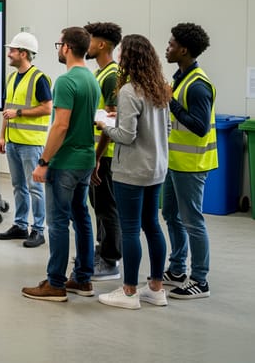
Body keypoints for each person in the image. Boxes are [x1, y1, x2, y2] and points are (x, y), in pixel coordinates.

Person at [21, 27, 99, 302]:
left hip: (65, 163)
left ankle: (55, 283)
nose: (58, 48)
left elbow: (61, 125)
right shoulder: (91, 79)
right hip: (86, 161)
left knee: (57, 223)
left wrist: (44, 161)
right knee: (81, 218)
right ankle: (82, 278)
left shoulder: (66, 82)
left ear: (66, 48)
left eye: (59, 44)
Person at [95, 34, 171, 309]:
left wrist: (104, 125)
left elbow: (126, 136)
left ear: (128, 58)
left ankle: (128, 291)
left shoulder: (128, 91)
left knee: (129, 229)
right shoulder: (160, 89)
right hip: (156, 168)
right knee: (152, 225)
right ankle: (156, 287)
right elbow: (166, 129)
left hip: (132, 170)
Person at [161, 22, 215, 299]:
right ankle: (178, 269)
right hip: (175, 163)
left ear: (183, 49)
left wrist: (171, 102)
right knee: (170, 214)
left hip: (191, 166)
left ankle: (200, 280)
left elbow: (200, 126)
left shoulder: (198, 86)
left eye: (170, 45)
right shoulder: (180, 77)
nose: (166, 48)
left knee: (193, 220)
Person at [0, 32, 52, 248]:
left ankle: (38, 230)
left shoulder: (39, 78)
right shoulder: (11, 78)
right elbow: (6, 110)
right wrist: (2, 136)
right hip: (12, 141)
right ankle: (20, 225)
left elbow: (47, 108)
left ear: (24, 53)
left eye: (13, 50)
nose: (9, 54)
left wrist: (18, 113)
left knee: (34, 188)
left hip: (31, 143)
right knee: (19, 185)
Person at [84, 21, 123, 281]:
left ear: (101, 45)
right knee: (98, 205)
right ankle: (102, 250)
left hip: (105, 155)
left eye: (90, 39)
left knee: (107, 206)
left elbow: (112, 120)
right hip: (96, 153)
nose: (85, 45)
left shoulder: (111, 75)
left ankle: (111, 260)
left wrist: (97, 157)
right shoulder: (100, 74)